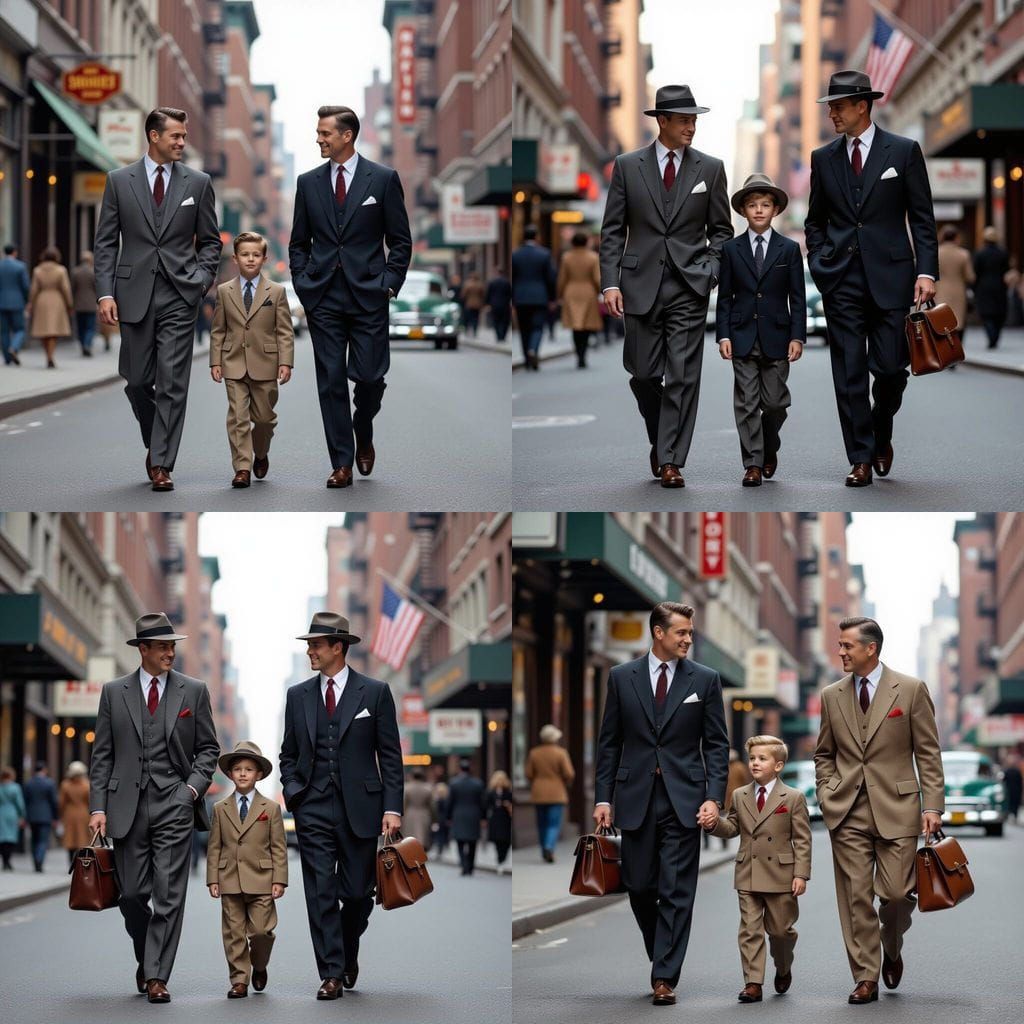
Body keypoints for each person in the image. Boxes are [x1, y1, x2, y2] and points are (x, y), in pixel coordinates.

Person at [804, 70, 938, 488]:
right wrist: (821, 262)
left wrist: (926, 270)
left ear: (863, 105)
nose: (833, 116)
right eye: (830, 108)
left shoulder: (903, 152)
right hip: (840, 281)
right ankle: (860, 457)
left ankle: (881, 429)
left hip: (893, 278)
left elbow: (922, 219)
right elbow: (814, 222)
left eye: (839, 107)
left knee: (892, 369)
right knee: (848, 374)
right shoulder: (822, 158)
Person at [594, 601, 729, 1006]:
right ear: (658, 632)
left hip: (684, 800)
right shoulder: (621, 677)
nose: (689, 639)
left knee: (676, 889)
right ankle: (662, 948)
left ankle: (665, 976)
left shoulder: (705, 680)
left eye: (690, 632)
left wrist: (713, 798)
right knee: (637, 884)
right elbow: (609, 743)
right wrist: (603, 797)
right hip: (634, 798)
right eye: (682, 632)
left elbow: (717, 745)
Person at [599, 84, 732, 489]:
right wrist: (610, 284)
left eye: (695, 120)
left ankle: (672, 459)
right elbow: (611, 231)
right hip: (639, 284)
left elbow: (722, 231)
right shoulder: (627, 165)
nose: (691, 127)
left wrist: (709, 270)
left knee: (682, 376)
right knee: (642, 374)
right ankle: (662, 436)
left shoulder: (710, 168)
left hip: (690, 287)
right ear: (662, 121)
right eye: (684, 120)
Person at [88, 612, 220, 1004]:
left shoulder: (193, 691)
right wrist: (99, 807)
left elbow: (208, 748)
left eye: (172, 646)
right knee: (130, 894)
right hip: (126, 805)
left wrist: (191, 792)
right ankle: (149, 957)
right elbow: (102, 755)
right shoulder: (114, 692)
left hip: (174, 805)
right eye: (162, 646)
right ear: (142, 649)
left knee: (168, 895)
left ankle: (158, 976)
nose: (170, 652)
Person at [814, 616, 944, 1005]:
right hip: (846, 811)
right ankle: (865, 977)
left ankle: (892, 944)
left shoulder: (910, 689)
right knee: (856, 898)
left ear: (871, 648)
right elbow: (824, 753)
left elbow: (928, 752)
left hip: (899, 807)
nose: (840, 652)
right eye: (839, 645)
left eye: (847, 645)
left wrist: (933, 805)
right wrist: (826, 790)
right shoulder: (831, 695)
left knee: (899, 895)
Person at [93, 107, 222, 493]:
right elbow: (105, 242)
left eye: (183, 136)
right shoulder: (119, 181)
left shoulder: (198, 183)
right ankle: (156, 436)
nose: (182, 142)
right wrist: (104, 292)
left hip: (181, 295)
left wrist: (200, 281)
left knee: (172, 382)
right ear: (153, 136)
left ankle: (163, 461)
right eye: (176, 136)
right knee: (136, 381)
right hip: (133, 293)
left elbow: (212, 242)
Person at [278, 612, 404, 1001]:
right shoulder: (297, 695)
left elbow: (391, 756)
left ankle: (348, 950)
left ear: (338, 647)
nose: (310, 652)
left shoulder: (375, 692)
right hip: (312, 809)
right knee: (319, 893)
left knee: (356, 894)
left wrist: (392, 808)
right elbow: (288, 754)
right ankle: (331, 972)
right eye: (308, 646)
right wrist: (295, 792)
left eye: (316, 645)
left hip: (362, 809)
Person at [289, 105, 412, 489]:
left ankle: (364, 426)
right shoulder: (307, 183)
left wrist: (388, 283)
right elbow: (298, 243)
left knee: (371, 378)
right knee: (330, 382)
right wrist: (303, 283)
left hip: (369, 296)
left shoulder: (383, 179)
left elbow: (400, 241)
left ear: (347, 136)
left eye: (325, 133)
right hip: (323, 297)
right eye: (318, 132)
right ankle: (341, 462)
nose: (319, 139)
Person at [716, 174, 805, 486]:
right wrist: (723, 334)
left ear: (775, 209)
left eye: (765, 205)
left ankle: (769, 445)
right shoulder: (730, 250)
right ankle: (752, 463)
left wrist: (797, 336)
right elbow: (725, 297)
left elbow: (798, 297)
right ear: (742, 210)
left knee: (776, 403)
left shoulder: (789, 250)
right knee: (746, 403)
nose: (758, 210)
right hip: (741, 336)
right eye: (752, 205)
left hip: (778, 337)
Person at [709, 735, 811, 1003]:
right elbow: (732, 827)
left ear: (778, 765)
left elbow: (802, 839)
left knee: (781, 932)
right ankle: (753, 983)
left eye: (762, 758)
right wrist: (713, 824)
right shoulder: (739, 795)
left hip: (781, 876)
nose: (754, 763)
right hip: (748, 871)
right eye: (752, 758)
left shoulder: (793, 797)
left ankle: (783, 965)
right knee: (749, 930)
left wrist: (801, 874)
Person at [209, 231, 294, 489]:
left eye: (256, 255)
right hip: (233, 362)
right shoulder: (224, 291)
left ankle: (261, 451)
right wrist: (216, 361)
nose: (250, 259)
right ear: (235, 258)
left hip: (266, 363)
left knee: (265, 419)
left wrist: (285, 362)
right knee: (237, 417)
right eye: (245, 254)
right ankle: (242, 468)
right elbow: (218, 329)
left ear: (264, 259)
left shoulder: (276, 291)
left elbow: (285, 330)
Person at [206, 741, 288, 999]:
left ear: (259, 775)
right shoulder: (220, 809)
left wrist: (280, 879)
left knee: (262, 931)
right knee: (233, 933)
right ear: (230, 774)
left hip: (262, 879)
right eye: (238, 769)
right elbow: (214, 846)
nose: (242, 773)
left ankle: (259, 965)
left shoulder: (271, 809)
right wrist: (213, 878)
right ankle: (239, 980)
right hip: (229, 877)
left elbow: (279, 847)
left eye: (249, 769)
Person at [525, 723, 575, 862]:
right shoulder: (561, 753)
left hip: (539, 792)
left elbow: (528, 773)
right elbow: (569, 773)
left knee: (541, 824)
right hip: (556, 792)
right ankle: (549, 846)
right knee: (553, 824)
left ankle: (544, 849)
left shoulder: (534, 753)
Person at [512, 224, 556, 370]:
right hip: (539, 297)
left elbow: (512, 278)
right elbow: (551, 279)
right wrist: (552, 299)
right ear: (536, 237)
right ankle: (533, 350)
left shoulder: (515, 255)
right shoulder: (544, 254)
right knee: (537, 328)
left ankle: (526, 359)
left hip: (520, 298)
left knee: (524, 329)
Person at [558, 231, 603, 369]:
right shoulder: (593, 257)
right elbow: (597, 278)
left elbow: (562, 278)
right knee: (586, 326)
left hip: (571, 291)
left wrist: (559, 294)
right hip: (588, 292)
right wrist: (600, 291)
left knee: (575, 326)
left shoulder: (566, 257)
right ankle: (583, 354)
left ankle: (579, 354)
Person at [27, 246, 73, 369]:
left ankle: (48, 355)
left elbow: (33, 289)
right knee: (53, 331)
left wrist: (31, 302)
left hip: (42, 299)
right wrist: (69, 304)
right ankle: (50, 356)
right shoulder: (61, 270)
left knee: (43, 331)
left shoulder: (37, 270)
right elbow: (66, 288)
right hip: (56, 300)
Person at [973, 227, 1010, 350]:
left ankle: (991, 336)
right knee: (999, 313)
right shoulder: (1003, 253)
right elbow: (1007, 270)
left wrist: (974, 287)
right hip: (1000, 285)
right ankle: (995, 336)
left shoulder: (980, 254)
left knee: (986, 314)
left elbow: (976, 272)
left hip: (983, 287)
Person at [447, 757, 485, 876]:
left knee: (460, 842)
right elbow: (482, 803)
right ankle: (471, 866)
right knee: (473, 843)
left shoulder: (454, 783)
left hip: (458, 815)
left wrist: (448, 817)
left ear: (460, 769)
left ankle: (464, 865)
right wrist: (484, 818)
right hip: (474, 815)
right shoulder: (478, 784)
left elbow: (450, 802)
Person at [934, 226, 974, 341]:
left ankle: (943, 349)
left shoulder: (936, 252)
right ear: (956, 237)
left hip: (939, 290)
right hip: (958, 291)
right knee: (958, 321)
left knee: (941, 320)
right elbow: (970, 276)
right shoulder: (963, 254)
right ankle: (956, 348)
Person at [22, 760, 59, 872]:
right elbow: (54, 802)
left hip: (32, 816)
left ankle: (36, 862)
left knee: (34, 840)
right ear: (44, 770)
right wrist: (55, 818)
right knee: (43, 841)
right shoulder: (49, 783)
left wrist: (25, 817)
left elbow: (25, 801)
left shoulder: (29, 783)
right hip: (45, 816)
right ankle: (39, 860)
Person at [0, 243, 30, 365]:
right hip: (17, 303)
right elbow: (26, 286)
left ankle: (7, 358)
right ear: (14, 252)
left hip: (1, 303)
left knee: (4, 331)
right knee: (20, 329)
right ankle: (14, 348)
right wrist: (27, 301)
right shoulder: (20, 266)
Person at [59, 760, 92, 866]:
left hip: (69, 814)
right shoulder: (86, 785)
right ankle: (81, 862)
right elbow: (90, 801)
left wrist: (61, 814)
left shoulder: (65, 785)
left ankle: (71, 861)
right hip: (83, 813)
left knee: (70, 839)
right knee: (82, 839)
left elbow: (61, 802)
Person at [70, 251, 98, 357]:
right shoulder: (93, 272)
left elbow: (72, 288)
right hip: (91, 304)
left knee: (80, 327)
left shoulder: (75, 272)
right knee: (90, 327)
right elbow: (97, 288)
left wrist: (71, 303)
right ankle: (87, 344)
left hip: (78, 304)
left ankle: (83, 345)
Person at [485, 769, 513, 875]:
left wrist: (507, 805)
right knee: (497, 841)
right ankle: (499, 861)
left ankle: (502, 859)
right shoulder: (491, 792)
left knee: (505, 841)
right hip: (495, 819)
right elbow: (486, 805)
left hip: (505, 819)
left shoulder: (508, 792)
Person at [0, 766, 26, 870]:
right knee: (10, 838)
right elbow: (20, 804)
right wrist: (22, 815)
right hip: (12, 814)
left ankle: (5, 861)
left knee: (2, 838)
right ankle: (8, 860)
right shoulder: (15, 788)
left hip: (1, 814)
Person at [402, 768, 434, 847]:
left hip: (409, 814)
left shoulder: (406, 788)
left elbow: (404, 803)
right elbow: (432, 805)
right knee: (422, 837)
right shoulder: (428, 788)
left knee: (409, 838)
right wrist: (434, 818)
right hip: (424, 813)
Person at [484, 266, 512, 341]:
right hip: (505, 304)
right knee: (504, 321)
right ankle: (503, 336)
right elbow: (510, 293)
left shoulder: (492, 282)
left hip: (494, 304)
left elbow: (488, 294)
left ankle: (498, 336)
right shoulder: (506, 282)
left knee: (496, 320)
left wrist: (487, 304)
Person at [431, 772, 451, 856]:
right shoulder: (446, 800)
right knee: (444, 834)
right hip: (444, 819)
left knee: (439, 835)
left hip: (438, 819)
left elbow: (434, 810)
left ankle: (439, 849)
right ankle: (443, 846)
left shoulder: (437, 800)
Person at [460, 272, 485, 337]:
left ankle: (467, 330)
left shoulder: (467, 284)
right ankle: (474, 331)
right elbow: (483, 295)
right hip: (477, 304)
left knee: (468, 318)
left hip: (469, 304)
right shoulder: (480, 285)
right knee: (476, 318)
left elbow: (463, 295)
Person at [1003, 754, 1022, 824]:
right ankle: (1013, 815)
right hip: (1014, 790)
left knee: (1013, 803)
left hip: (1012, 790)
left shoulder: (1008, 771)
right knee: (1013, 803)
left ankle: (1012, 815)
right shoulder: (1012, 771)